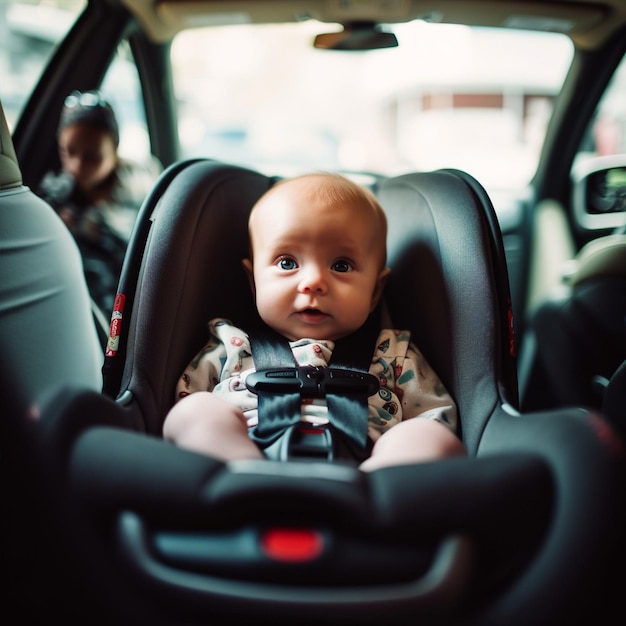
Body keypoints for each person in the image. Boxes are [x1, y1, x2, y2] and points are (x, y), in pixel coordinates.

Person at [163, 172, 466, 471]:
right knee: (193, 412)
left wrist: (419, 440)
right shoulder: (231, 344)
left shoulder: (395, 354)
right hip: (243, 457)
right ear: (253, 282)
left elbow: (436, 418)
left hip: (368, 471)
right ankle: (246, 475)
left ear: (375, 291)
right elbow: (185, 400)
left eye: (341, 265)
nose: (314, 281)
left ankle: (372, 494)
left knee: (429, 437)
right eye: (287, 263)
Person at [38, 90, 160, 316]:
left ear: (114, 151)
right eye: (68, 152)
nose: (76, 166)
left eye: (92, 157)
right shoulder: (54, 196)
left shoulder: (143, 186)